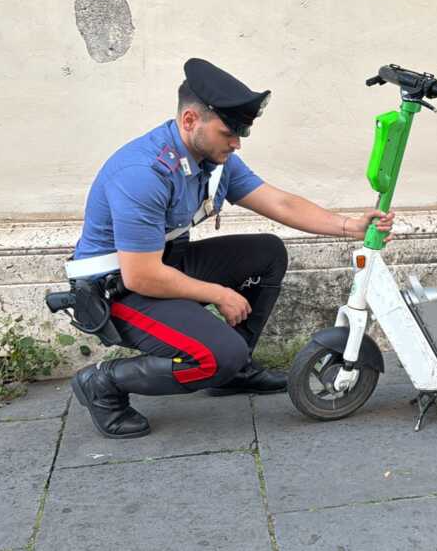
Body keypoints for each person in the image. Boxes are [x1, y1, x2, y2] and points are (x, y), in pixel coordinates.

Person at [67, 58, 394, 439]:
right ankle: (103, 384)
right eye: (228, 133)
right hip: (118, 289)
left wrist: (348, 226)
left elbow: (281, 204)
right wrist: (218, 293)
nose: (236, 143)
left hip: (163, 266)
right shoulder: (143, 173)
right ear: (190, 121)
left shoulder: (214, 160)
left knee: (267, 253)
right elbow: (141, 275)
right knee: (219, 355)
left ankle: (233, 371)